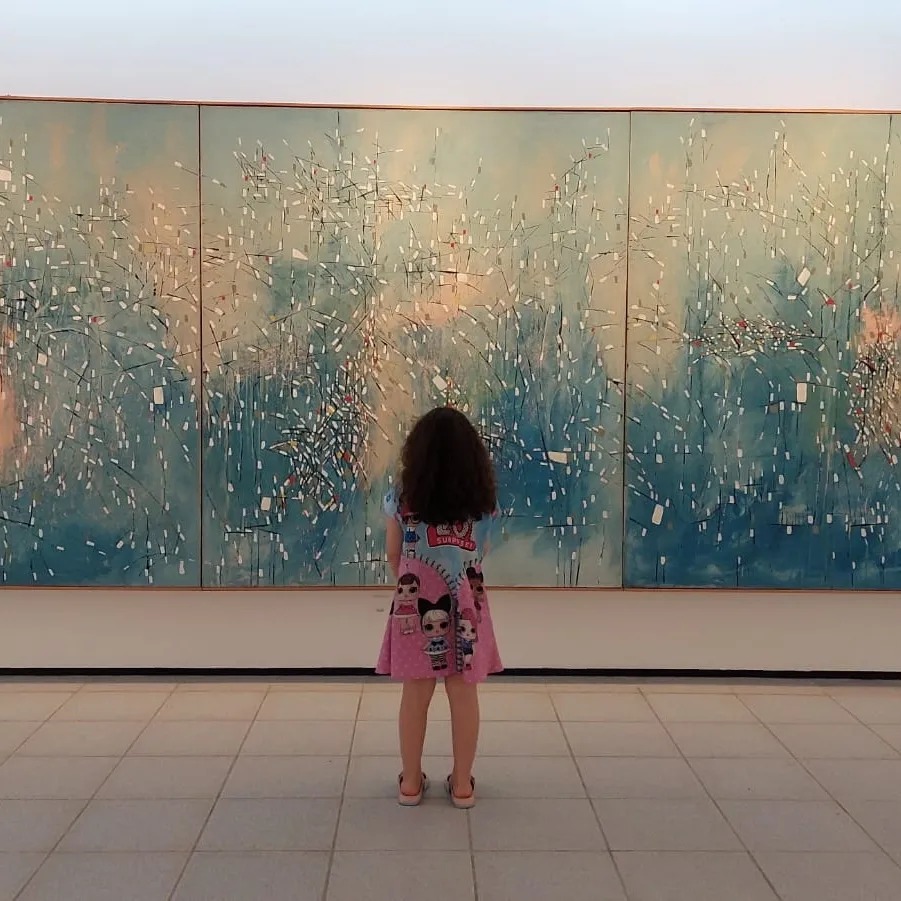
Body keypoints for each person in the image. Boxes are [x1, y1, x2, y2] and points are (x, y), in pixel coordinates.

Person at [376, 406, 503, 809]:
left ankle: (411, 783)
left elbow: (393, 554)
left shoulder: (402, 500)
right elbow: (481, 552)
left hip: (415, 607)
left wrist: (413, 579)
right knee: (463, 693)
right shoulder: (482, 502)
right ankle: (462, 784)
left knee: (415, 693)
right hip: (467, 606)